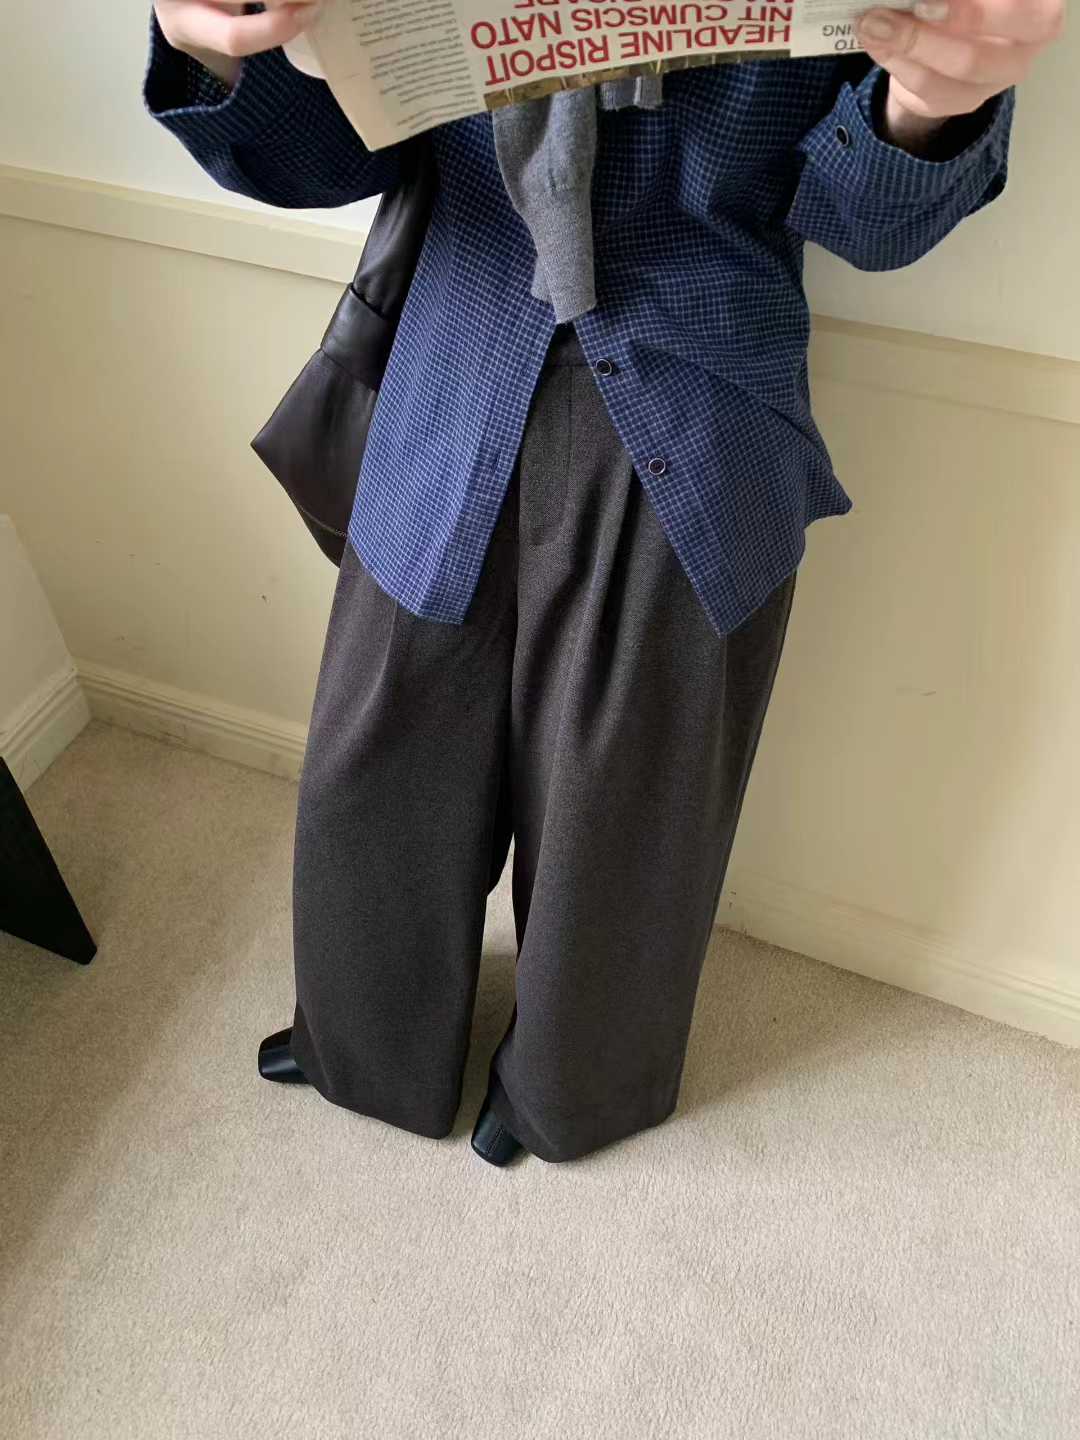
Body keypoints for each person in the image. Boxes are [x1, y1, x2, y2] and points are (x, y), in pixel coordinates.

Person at [144, 0, 1063, 1166]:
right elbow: (318, 156)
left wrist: (930, 107)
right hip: (455, 349)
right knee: (376, 760)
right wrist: (213, 41)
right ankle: (361, 1047)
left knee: (627, 804)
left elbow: (861, 221)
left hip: (696, 379)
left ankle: (572, 1092)